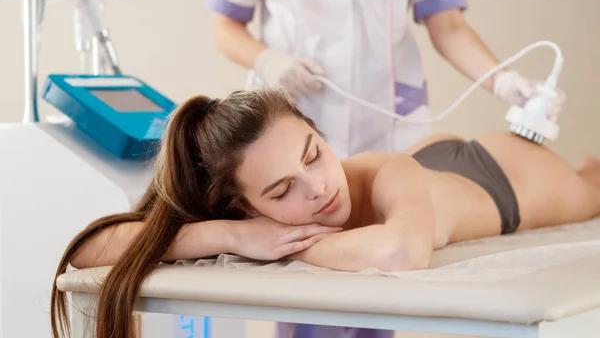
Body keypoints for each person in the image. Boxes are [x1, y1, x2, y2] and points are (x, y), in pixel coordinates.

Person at [51, 89, 599, 338]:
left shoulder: (386, 171)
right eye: (283, 189)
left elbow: (401, 251)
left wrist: (289, 239)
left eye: (313, 152)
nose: (318, 189)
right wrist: (234, 238)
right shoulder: (245, 223)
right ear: (245, 206)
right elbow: (87, 251)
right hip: (436, 167)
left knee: (592, 183)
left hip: (508, 178)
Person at [206, 0, 564, 163]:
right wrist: (268, 60)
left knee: (392, 219)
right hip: (291, 115)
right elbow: (225, 27)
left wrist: (503, 82)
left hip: (387, 122)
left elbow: (449, 28)